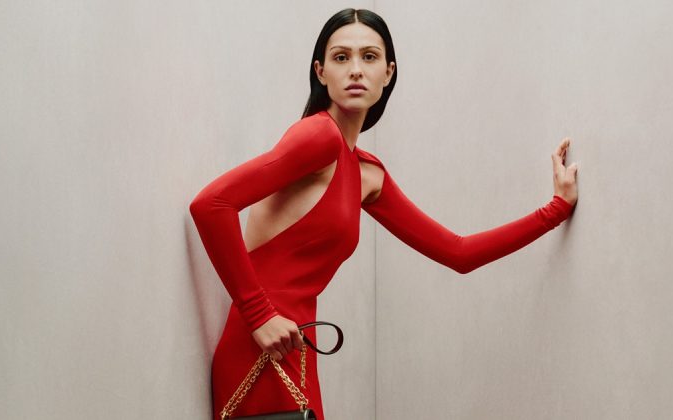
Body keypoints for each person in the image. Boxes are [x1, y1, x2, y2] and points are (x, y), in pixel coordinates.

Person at [189, 7, 578, 420]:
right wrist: (259, 315)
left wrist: (555, 209)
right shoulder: (316, 137)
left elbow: (458, 253)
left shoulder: (367, 173)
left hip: (297, 347)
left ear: (389, 72)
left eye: (369, 57)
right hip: (261, 344)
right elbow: (211, 205)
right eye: (341, 58)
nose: (355, 70)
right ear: (320, 72)